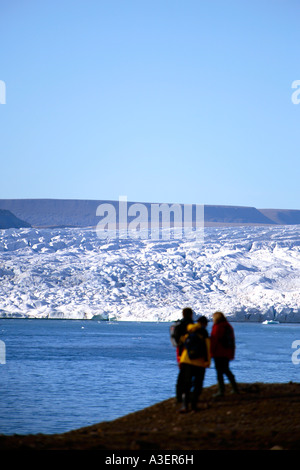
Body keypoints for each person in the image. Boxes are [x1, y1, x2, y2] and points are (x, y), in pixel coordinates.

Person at [179, 315, 211, 412]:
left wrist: (180, 358)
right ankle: (193, 405)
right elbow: (207, 347)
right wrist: (207, 361)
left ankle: (184, 406)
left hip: (186, 360)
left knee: (186, 383)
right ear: (205, 324)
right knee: (197, 384)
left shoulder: (189, 330)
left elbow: (181, 343)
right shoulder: (203, 332)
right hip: (199, 362)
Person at [210, 311, 238, 397]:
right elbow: (232, 341)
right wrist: (232, 353)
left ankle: (221, 390)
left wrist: (210, 352)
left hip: (219, 353)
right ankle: (234, 387)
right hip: (227, 352)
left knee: (220, 371)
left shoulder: (218, 327)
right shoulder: (228, 326)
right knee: (226, 370)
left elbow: (214, 340)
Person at [175, 307, 194, 403]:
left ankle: (179, 397)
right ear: (191, 314)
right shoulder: (192, 326)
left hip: (180, 353)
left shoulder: (179, 325)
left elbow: (176, 341)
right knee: (190, 376)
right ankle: (187, 397)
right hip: (191, 354)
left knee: (181, 376)